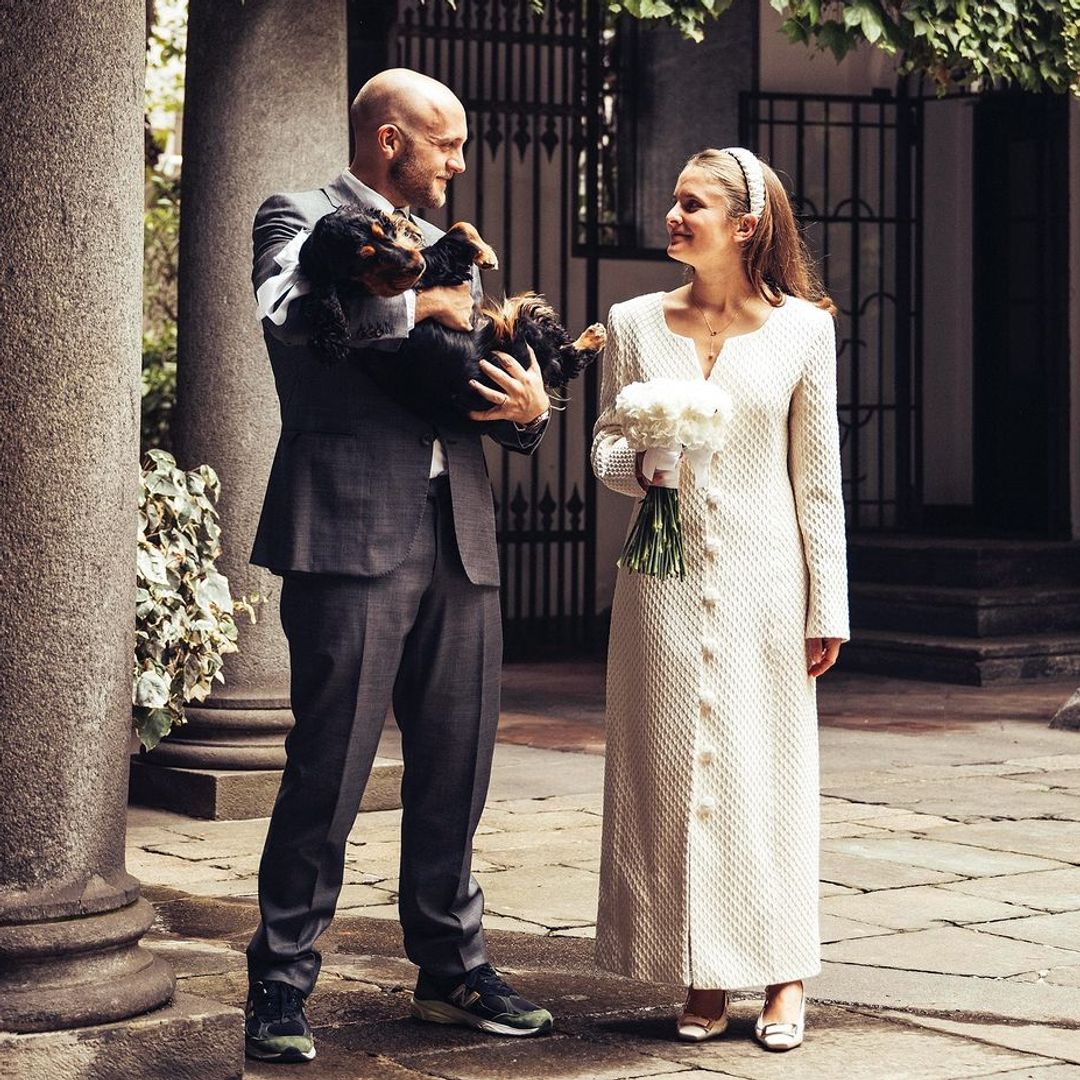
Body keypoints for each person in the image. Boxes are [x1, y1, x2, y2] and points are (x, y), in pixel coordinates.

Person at [243, 69, 555, 1064]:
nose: (461, 163)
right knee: (325, 771)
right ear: (390, 141)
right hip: (344, 526)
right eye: (448, 144)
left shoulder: (453, 248)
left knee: (457, 765)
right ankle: (281, 990)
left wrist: (529, 413)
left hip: (458, 528)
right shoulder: (295, 215)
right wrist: (425, 305)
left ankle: (453, 973)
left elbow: (471, 371)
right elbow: (297, 323)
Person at [590, 147, 849, 1052]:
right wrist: (640, 469)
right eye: (672, 200)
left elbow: (818, 482)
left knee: (766, 773)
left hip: (765, 583)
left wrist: (830, 607)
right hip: (658, 589)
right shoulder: (630, 322)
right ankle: (703, 972)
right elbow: (604, 451)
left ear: (744, 226)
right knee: (668, 774)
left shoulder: (803, 333)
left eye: (691, 205)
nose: (673, 215)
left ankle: (784, 977)